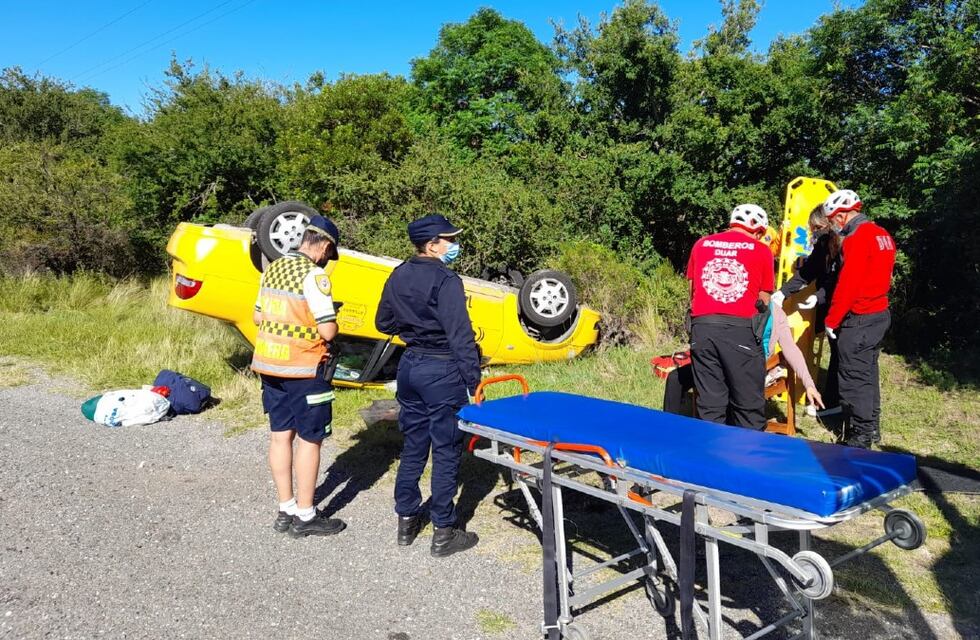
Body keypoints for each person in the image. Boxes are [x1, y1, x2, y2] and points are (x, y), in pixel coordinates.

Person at [375, 213, 481, 558]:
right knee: (447, 447)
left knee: (414, 444)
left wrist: (412, 324)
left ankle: (406, 518)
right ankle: (443, 531)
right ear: (433, 244)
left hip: (410, 366)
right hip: (442, 367)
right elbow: (460, 335)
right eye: (449, 240)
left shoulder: (398, 273)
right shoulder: (446, 280)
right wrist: (473, 380)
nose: (454, 245)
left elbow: (383, 322)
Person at [251, 214, 346, 537]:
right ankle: (306, 516)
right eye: (328, 255)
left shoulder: (273, 268)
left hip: (269, 365)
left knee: (280, 435)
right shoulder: (315, 277)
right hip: (304, 368)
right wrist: (332, 317)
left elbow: (257, 316)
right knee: (310, 439)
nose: (326, 261)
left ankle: (285, 507)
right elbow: (327, 331)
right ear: (324, 247)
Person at [685, 204, 775, 429]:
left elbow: (692, 290)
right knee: (748, 405)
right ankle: (748, 456)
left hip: (702, 327)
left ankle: (709, 456)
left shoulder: (701, 244)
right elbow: (763, 300)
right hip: (740, 329)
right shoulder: (761, 250)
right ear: (758, 230)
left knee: (710, 404)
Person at [820, 189, 896, 448]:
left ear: (842, 215)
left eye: (832, 219)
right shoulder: (882, 234)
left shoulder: (857, 238)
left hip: (860, 317)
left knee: (853, 376)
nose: (833, 225)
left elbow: (848, 284)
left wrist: (831, 319)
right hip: (879, 313)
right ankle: (872, 426)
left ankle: (860, 435)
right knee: (869, 372)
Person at [771, 206, 843, 411]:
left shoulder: (844, 244)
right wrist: (783, 292)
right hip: (827, 302)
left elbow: (837, 280)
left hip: (844, 304)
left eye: (817, 227)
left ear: (829, 224)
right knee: (836, 349)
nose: (814, 232)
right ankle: (830, 399)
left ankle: (833, 402)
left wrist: (818, 297)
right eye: (812, 228)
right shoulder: (822, 244)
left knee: (840, 353)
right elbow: (807, 272)